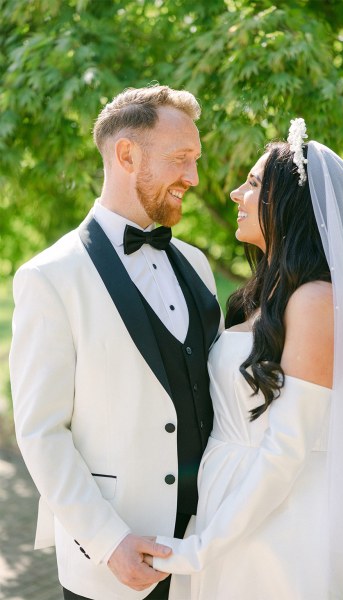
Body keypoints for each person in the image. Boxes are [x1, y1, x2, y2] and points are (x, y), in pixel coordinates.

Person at [147, 119, 343, 600]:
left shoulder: (315, 301)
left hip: (275, 521)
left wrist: (201, 548)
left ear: (289, 203)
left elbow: (287, 448)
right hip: (229, 502)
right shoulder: (261, 297)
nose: (236, 193)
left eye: (254, 183)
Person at [9, 85, 222, 600]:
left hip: (208, 555)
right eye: (180, 159)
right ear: (127, 154)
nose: (193, 178)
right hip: (113, 564)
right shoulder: (50, 277)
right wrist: (109, 541)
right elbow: (41, 433)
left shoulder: (195, 264)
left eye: (195, 160)